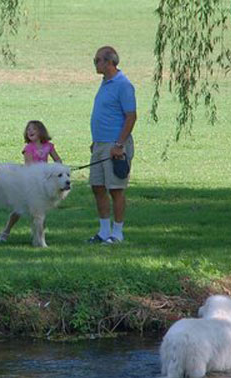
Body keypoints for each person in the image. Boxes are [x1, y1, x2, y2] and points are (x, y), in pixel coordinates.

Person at [87, 46, 137, 245]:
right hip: (100, 144)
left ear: (109, 62)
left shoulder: (123, 85)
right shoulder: (105, 83)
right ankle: (103, 231)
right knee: (97, 187)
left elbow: (131, 116)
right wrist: (95, 141)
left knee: (115, 189)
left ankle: (118, 233)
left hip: (115, 146)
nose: (95, 63)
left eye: (97, 60)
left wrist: (119, 144)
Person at [0, 120, 62, 242]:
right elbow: (29, 166)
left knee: (41, 210)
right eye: (28, 130)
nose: (30, 131)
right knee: (18, 210)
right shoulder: (28, 148)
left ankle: (39, 236)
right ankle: (6, 231)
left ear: (41, 131)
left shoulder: (49, 146)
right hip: (30, 183)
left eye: (33, 129)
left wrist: (58, 170)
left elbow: (57, 160)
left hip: (44, 183)